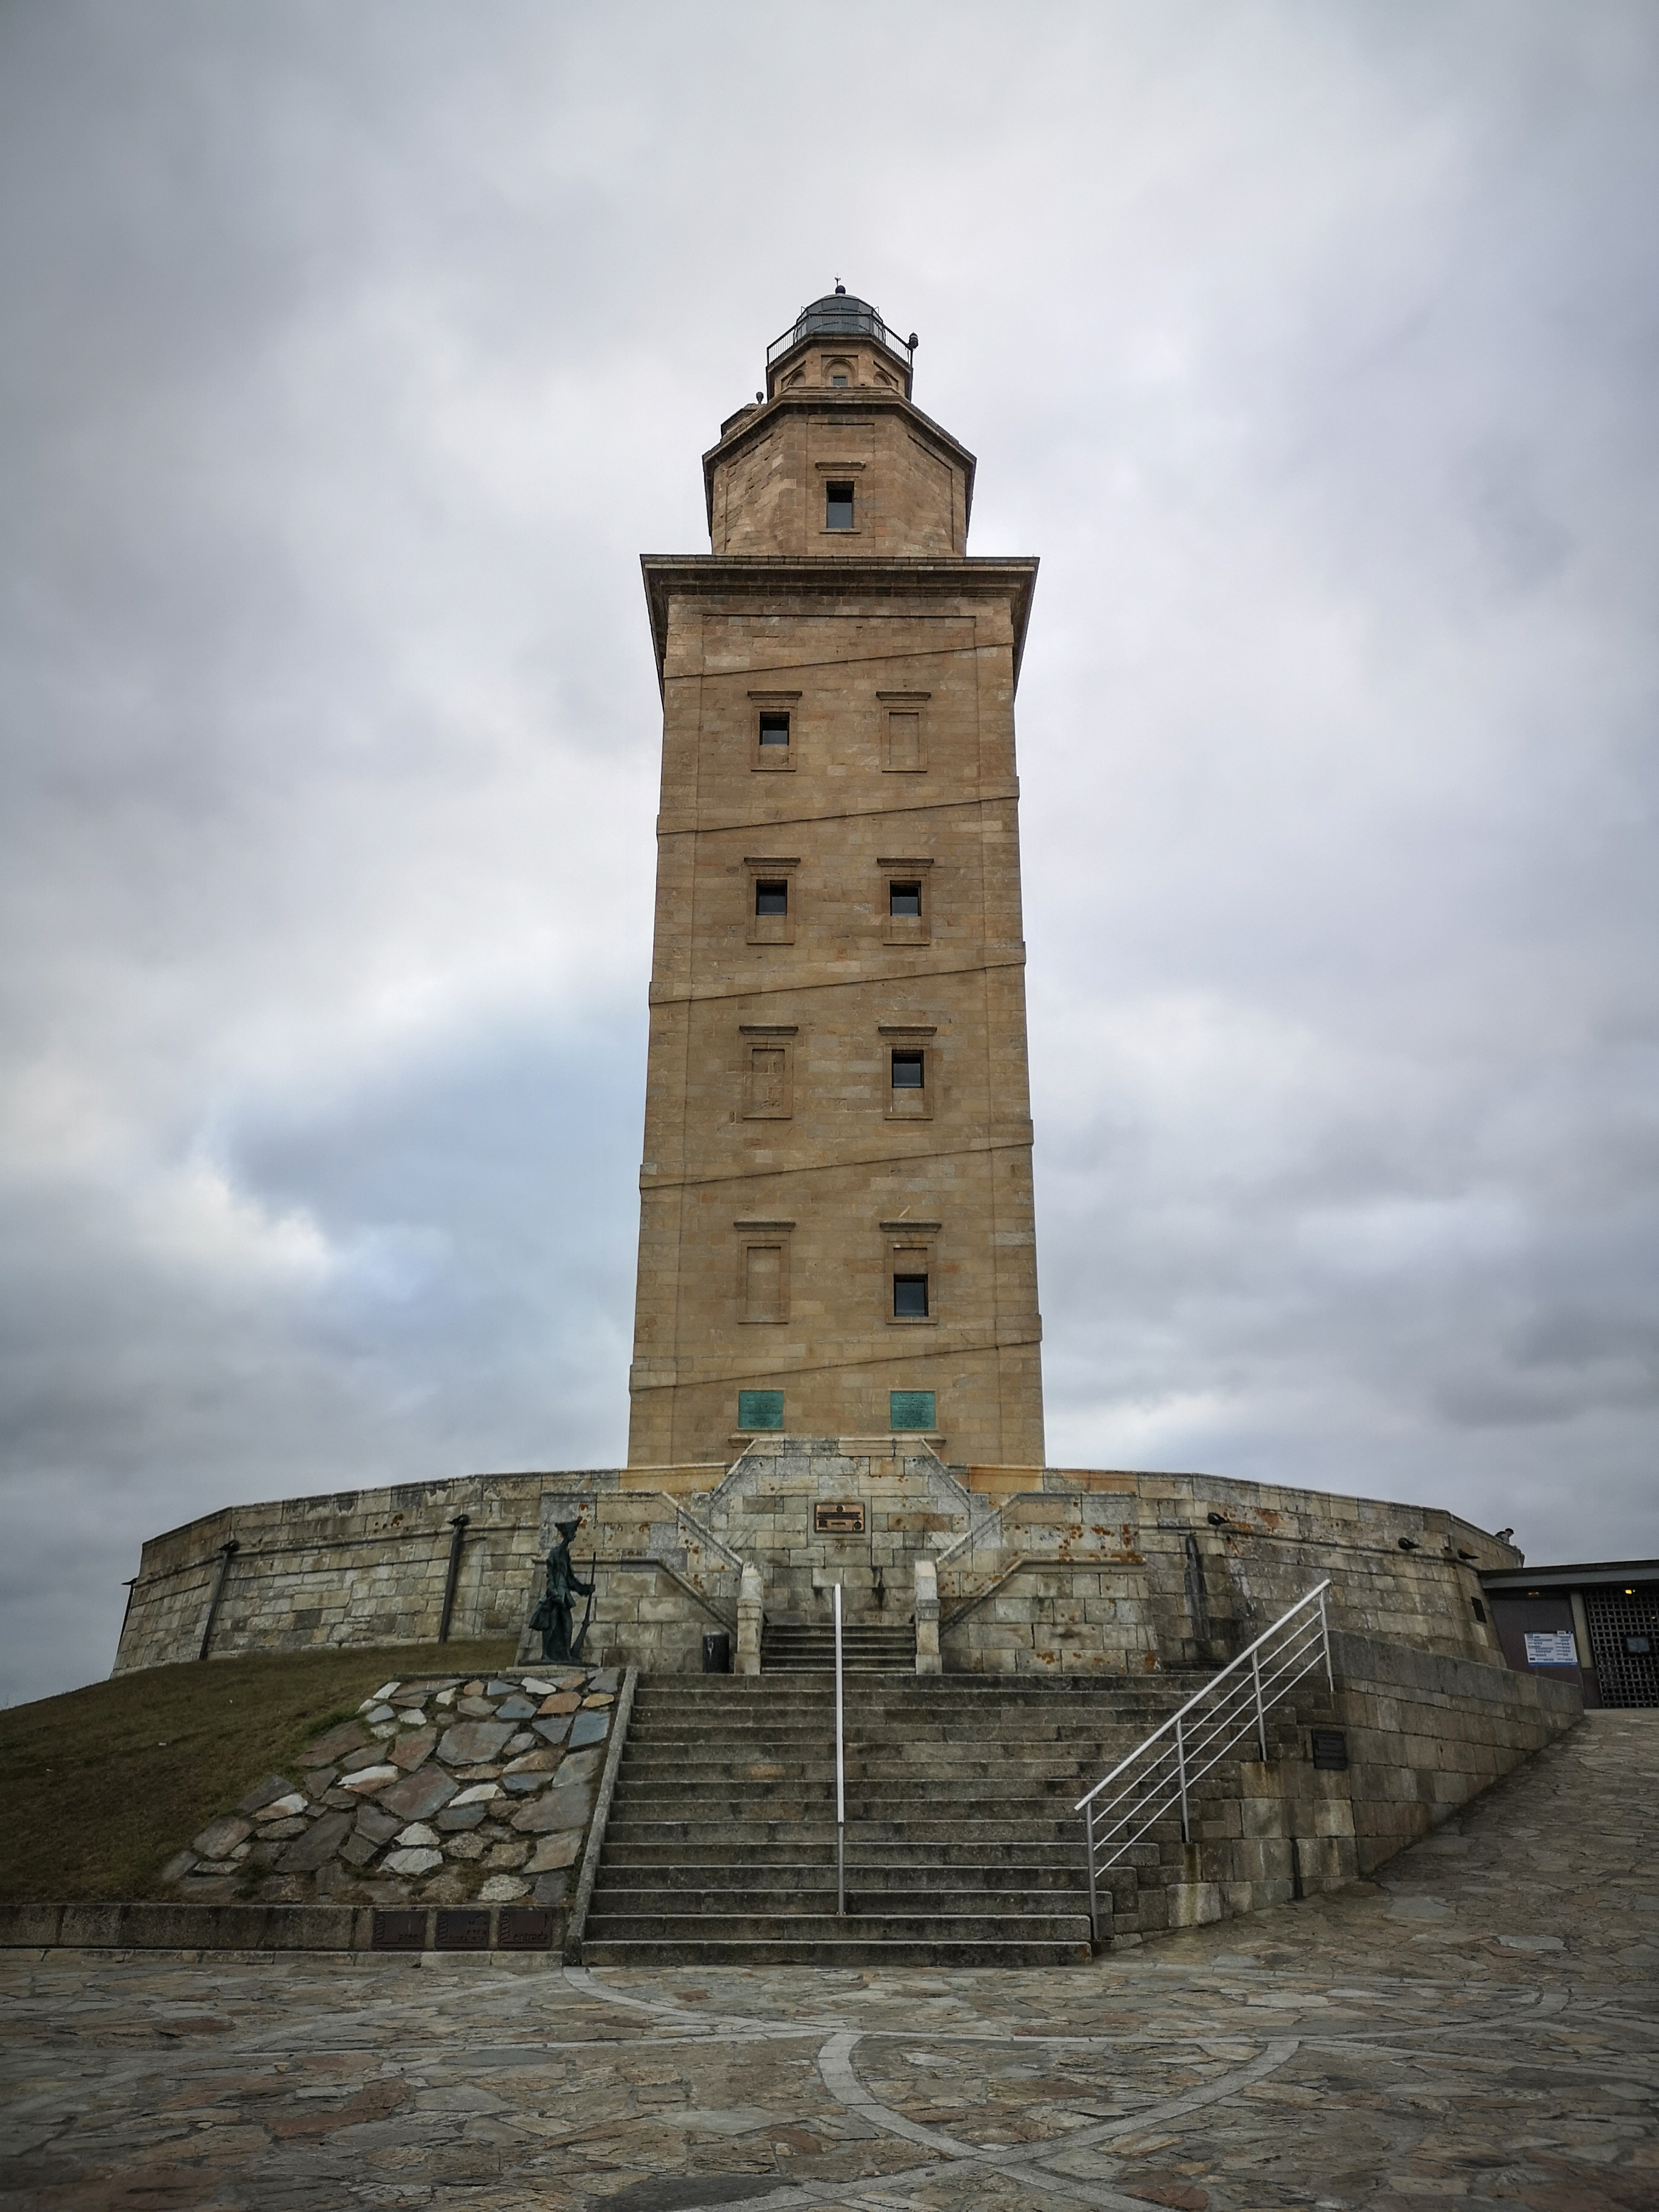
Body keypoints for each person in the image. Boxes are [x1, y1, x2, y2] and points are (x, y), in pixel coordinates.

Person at [530, 1518, 594, 1663]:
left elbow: (570, 1580)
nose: (575, 1535)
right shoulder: (555, 1553)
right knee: (551, 1625)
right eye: (574, 1532)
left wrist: (585, 1589)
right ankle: (546, 1655)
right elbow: (550, 1576)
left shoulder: (565, 1554)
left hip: (564, 1594)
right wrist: (553, 1593)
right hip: (556, 1595)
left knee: (567, 1624)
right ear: (568, 1534)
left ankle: (565, 1655)